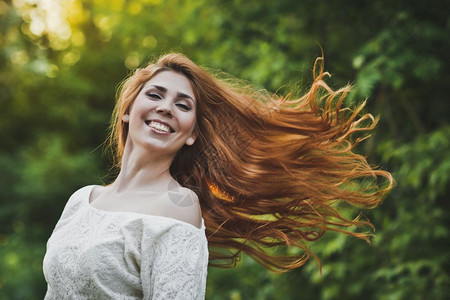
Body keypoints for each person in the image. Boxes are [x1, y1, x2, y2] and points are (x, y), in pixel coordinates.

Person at [43, 53, 393, 299]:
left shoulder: (177, 207)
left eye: (183, 105)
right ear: (127, 111)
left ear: (191, 133)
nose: (166, 107)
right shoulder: (82, 200)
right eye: (155, 94)